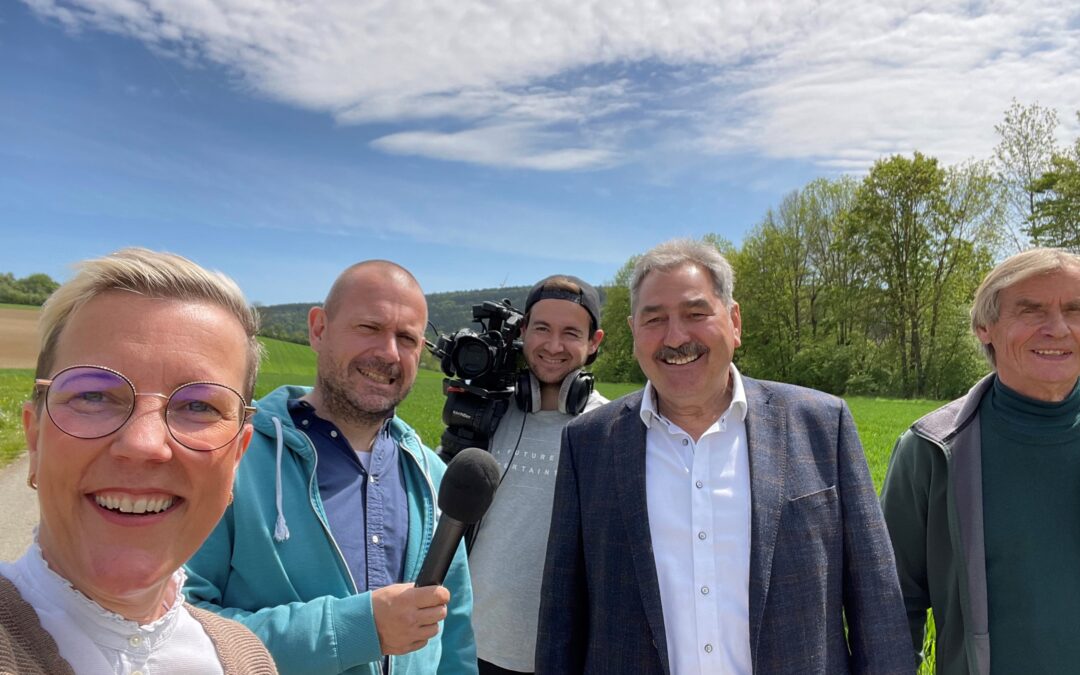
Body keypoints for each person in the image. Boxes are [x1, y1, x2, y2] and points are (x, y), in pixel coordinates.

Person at [536, 238, 911, 674]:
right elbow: (562, 616)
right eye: (654, 319)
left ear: (734, 321)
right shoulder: (589, 444)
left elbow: (877, 604)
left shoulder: (823, 425)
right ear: (634, 331)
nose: (675, 337)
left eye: (696, 314)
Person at [184, 260, 477, 675]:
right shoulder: (231, 458)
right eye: (369, 328)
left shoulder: (432, 475)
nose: (389, 353)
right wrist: (357, 628)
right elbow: (178, 629)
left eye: (407, 338)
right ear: (319, 329)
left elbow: (454, 630)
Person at [0, 248, 277, 674]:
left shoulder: (248, 660)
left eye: (200, 406)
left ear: (236, 457)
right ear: (35, 438)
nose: (144, 443)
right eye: (93, 395)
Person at [880, 247, 1080, 675]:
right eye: (1032, 311)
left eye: (1074, 309)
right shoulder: (930, 450)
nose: (1058, 328)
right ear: (984, 328)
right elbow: (893, 605)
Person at [468, 275, 607, 675]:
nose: (553, 345)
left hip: (562, 657)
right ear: (523, 331)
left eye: (570, 333)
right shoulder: (487, 415)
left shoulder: (610, 427)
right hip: (469, 646)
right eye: (542, 328)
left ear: (594, 342)